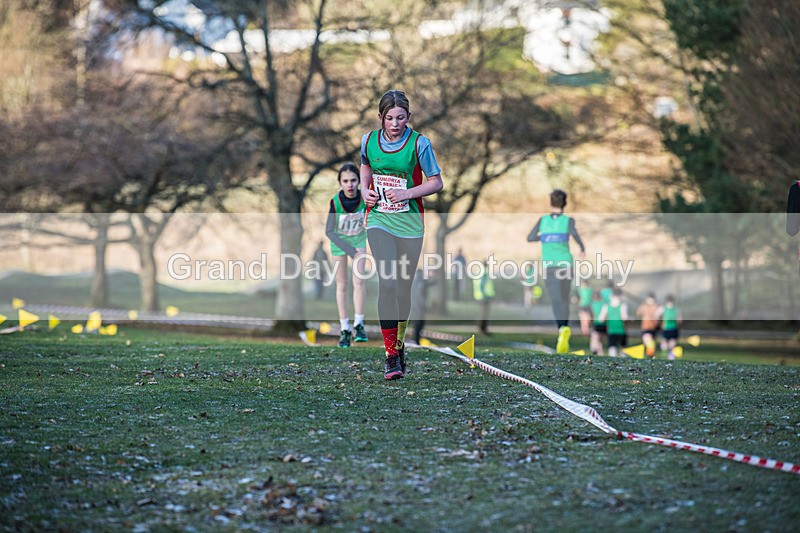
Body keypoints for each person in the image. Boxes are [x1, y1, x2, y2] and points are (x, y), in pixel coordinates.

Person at [360, 89, 443, 380]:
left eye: (401, 118)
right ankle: (390, 356)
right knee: (388, 282)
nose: (395, 124)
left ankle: (399, 343)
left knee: (403, 290)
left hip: (410, 225)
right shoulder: (368, 140)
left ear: (409, 117)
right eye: (389, 118)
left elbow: (436, 182)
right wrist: (365, 191)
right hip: (379, 220)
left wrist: (407, 193)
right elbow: (365, 167)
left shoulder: (420, 143)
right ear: (380, 117)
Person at [527, 189, 586, 354]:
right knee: (564, 298)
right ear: (565, 203)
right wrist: (582, 249)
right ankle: (565, 328)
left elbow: (530, 238)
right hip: (566, 264)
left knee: (556, 300)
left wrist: (544, 237)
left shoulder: (543, 221)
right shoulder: (568, 221)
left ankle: (561, 329)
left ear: (550, 202)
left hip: (549, 266)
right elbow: (575, 235)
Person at [325, 162, 368, 348]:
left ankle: (359, 324)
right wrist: (349, 250)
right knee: (342, 284)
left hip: (359, 240)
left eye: (353, 180)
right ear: (340, 183)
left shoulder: (365, 197)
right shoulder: (335, 202)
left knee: (359, 281)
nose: (350, 185)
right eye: (345, 181)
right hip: (339, 243)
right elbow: (329, 231)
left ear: (359, 181)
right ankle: (344, 329)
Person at [598, 288, 628, 357]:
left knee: (612, 347)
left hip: (611, 330)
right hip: (621, 329)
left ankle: (613, 359)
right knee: (623, 348)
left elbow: (601, 319)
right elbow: (625, 318)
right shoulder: (623, 305)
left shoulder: (606, 306)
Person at [410, 268, 433, 345]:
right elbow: (419, 293)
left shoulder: (416, 280)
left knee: (418, 323)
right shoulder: (420, 281)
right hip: (419, 306)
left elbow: (428, 283)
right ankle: (416, 341)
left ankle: (416, 340)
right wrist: (424, 304)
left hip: (415, 305)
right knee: (419, 323)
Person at [473, 259, 495, 335]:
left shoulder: (479, 271)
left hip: (480, 296)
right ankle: (482, 330)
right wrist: (484, 295)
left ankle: (482, 329)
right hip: (484, 297)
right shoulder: (484, 272)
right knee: (484, 314)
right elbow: (481, 284)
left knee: (483, 313)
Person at [657, 294, 682, 360]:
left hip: (669, 328)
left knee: (668, 343)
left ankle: (668, 355)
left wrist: (659, 322)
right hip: (670, 328)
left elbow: (657, 316)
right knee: (669, 343)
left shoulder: (664, 308)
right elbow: (679, 320)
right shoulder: (675, 309)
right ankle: (669, 355)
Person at [636, 292, 660, 357]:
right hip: (645, 327)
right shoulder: (643, 307)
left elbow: (659, 317)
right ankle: (650, 355)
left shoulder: (656, 307)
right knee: (648, 342)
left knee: (652, 343)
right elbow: (638, 313)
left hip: (654, 328)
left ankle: (651, 356)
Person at [589, 290, 606, 356]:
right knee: (600, 339)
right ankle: (600, 352)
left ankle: (594, 349)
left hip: (596, 323)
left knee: (594, 336)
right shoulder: (604, 304)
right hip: (604, 323)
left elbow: (592, 314)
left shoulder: (593, 304)